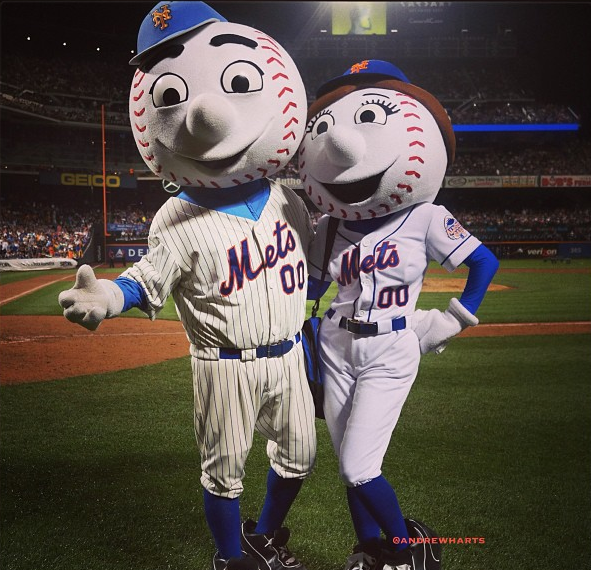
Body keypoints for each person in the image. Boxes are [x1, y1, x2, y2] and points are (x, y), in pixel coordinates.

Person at [58, 3, 316, 570]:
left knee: (300, 456)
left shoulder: (286, 199)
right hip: (223, 364)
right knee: (223, 473)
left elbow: (315, 266)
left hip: (290, 356)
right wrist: (107, 296)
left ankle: (266, 535)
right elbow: (145, 279)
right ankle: (231, 558)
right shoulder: (173, 219)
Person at [301, 60, 499, 570]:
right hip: (335, 344)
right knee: (348, 468)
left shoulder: (425, 216)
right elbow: (309, 290)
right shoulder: (326, 228)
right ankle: (371, 549)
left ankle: (412, 552)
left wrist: (455, 318)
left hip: (390, 347)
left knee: (359, 465)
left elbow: (482, 262)